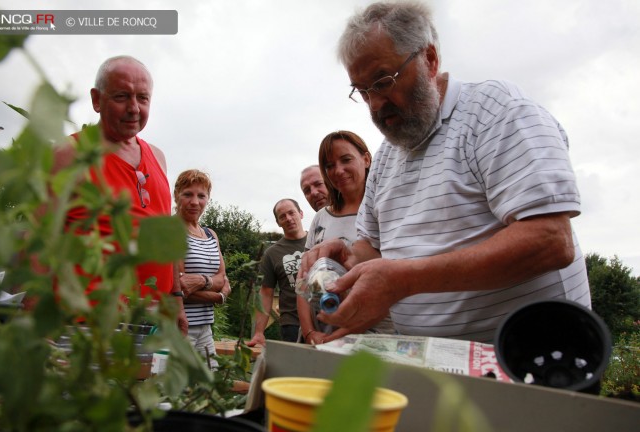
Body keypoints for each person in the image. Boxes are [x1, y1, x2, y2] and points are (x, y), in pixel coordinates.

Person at [301, 1, 591, 344]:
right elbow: (374, 249)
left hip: (534, 360)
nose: (375, 104)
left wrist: (406, 280)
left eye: (383, 81)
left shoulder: (497, 112)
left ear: (430, 60)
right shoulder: (386, 157)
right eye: (362, 91)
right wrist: (346, 256)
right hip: (432, 367)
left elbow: (549, 241)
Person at [50, 55, 188, 334]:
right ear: (97, 99)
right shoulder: (70, 154)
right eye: (122, 96)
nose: (134, 108)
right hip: (87, 324)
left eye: (143, 98)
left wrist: (176, 298)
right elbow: (40, 238)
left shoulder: (157, 157)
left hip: (152, 322)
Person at [299, 131, 394, 345]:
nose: (338, 170)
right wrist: (309, 332)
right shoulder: (321, 218)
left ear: (367, 159)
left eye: (346, 159)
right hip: (328, 334)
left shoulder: (387, 207)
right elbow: (303, 282)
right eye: (329, 165)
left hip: (380, 335)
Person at [174, 169, 231, 368]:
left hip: (205, 326)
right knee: (179, 392)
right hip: (180, 327)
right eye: (187, 194)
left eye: (201, 195)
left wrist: (201, 281)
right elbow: (179, 288)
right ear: (176, 195)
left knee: (209, 387)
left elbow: (222, 278)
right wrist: (219, 296)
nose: (195, 202)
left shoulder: (210, 234)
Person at [246, 199, 306, 347]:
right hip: (292, 323)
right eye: (282, 216)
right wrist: (259, 332)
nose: (288, 219)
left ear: (301, 213)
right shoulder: (272, 254)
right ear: (278, 222)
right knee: (295, 369)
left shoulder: (319, 240)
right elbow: (266, 293)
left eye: (291, 213)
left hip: (324, 319)